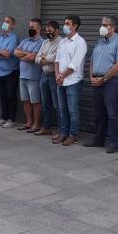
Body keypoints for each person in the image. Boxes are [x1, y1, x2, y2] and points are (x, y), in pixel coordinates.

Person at [86, 15, 118, 153]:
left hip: (112, 81)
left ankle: (114, 142)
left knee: (112, 112)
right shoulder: (100, 42)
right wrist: (91, 76)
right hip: (97, 80)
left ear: (113, 27)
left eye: (105, 25)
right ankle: (98, 139)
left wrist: (104, 78)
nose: (102, 27)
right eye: (102, 24)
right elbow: (92, 60)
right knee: (99, 112)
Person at [53, 15, 87, 146]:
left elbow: (75, 64)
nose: (65, 26)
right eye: (65, 23)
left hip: (73, 81)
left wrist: (62, 76)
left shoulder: (80, 42)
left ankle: (73, 135)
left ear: (75, 26)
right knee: (62, 109)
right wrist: (57, 75)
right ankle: (63, 132)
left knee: (73, 110)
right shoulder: (63, 42)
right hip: (60, 81)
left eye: (67, 23)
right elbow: (57, 61)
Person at [14, 18, 44, 132]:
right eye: (29, 27)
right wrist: (27, 54)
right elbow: (15, 52)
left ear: (38, 28)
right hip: (23, 76)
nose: (30, 29)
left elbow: (33, 58)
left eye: (32, 27)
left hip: (34, 76)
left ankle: (36, 124)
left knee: (35, 101)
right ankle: (29, 122)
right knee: (25, 100)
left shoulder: (41, 42)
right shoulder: (26, 40)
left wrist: (23, 56)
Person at [0, 16, 19, 128]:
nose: (5, 23)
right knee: (2, 96)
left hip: (11, 71)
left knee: (11, 96)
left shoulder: (13, 38)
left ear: (12, 25)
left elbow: (8, 54)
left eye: (7, 22)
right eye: (4, 21)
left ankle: (11, 119)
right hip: (0, 71)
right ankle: (4, 118)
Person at [34, 20, 62, 136]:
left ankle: (61, 129)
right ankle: (47, 126)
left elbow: (55, 58)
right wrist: (43, 59)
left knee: (57, 104)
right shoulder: (45, 42)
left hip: (53, 76)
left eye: (50, 31)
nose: (48, 33)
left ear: (56, 31)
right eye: (47, 31)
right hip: (43, 76)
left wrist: (44, 58)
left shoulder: (61, 42)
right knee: (45, 103)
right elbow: (37, 58)